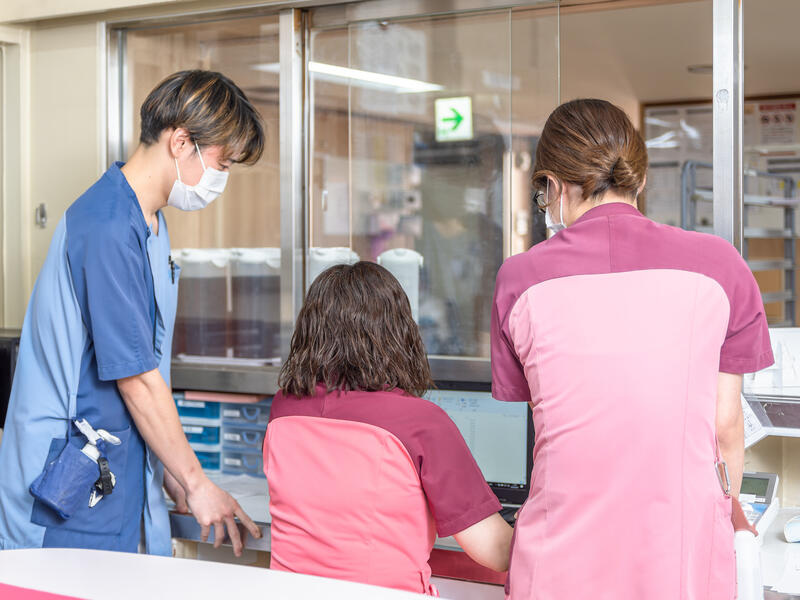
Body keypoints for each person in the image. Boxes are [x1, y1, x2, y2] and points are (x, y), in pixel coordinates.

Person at [491, 99, 773, 599]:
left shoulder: (519, 280)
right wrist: (729, 512)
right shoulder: (719, 266)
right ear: (639, 180)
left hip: (559, 558)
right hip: (676, 556)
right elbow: (725, 425)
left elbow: (554, 424)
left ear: (552, 186)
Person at [0, 70, 264, 556]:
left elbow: (147, 357)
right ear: (180, 142)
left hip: (113, 467)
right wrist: (195, 481)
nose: (221, 179)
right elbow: (137, 377)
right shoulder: (106, 226)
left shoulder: (150, 223)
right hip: (64, 478)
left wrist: (173, 472)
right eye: (222, 162)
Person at [264, 262, 513, 595]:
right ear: (397, 333)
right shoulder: (421, 422)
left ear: (310, 330)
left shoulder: (283, 407)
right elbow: (496, 552)